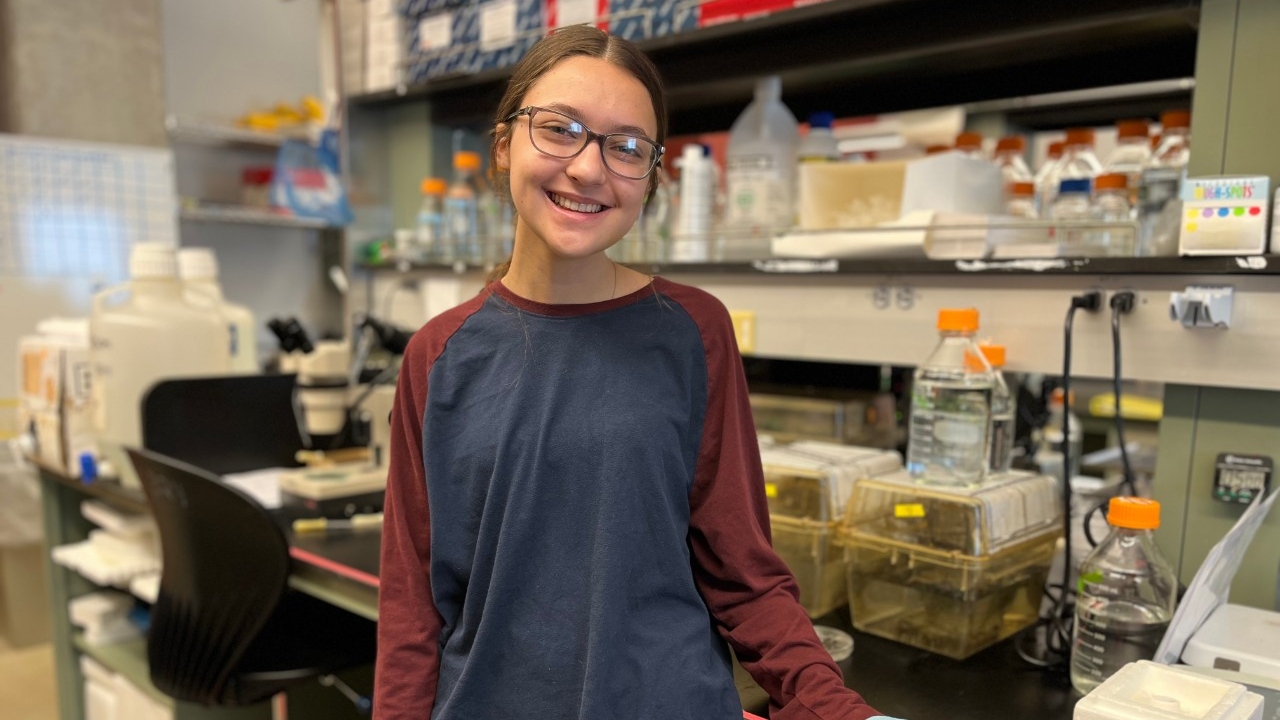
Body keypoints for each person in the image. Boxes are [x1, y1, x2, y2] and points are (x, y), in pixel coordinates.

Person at [374, 25, 902, 720]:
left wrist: (834, 709)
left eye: (626, 147)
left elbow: (746, 577)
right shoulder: (439, 356)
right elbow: (412, 609)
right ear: (502, 146)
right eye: (559, 129)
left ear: (651, 179)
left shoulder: (694, 333)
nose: (590, 169)